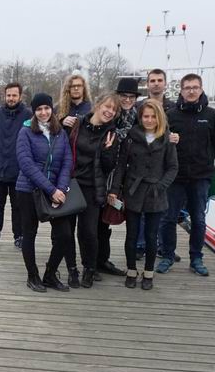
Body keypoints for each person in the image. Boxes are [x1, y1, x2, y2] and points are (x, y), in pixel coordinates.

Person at [157, 73, 215, 276]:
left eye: (195, 87)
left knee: (198, 220)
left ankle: (196, 258)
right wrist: (168, 139)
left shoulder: (214, 116)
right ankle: (168, 255)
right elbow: (158, 140)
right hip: (175, 176)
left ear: (201, 89)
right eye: (187, 88)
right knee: (168, 218)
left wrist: (205, 160)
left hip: (200, 177)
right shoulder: (171, 114)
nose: (191, 91)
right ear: (181, 91)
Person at [108, 99, 177, 290]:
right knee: (131, 235)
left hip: (155, 193)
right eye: (145, 116)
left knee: (151, 235)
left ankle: (148, 272)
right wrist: (114, 189)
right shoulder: (131, 137)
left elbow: (172, 167)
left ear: (159, 117)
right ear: (140, 117)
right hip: (133, 191)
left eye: (153, 116)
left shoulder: (166, 138)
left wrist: (160, 186)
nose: (149, 120)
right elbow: (121, 165)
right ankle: (131, 270)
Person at [15, 93, 74, 292]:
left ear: (52, 109)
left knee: (65, 234)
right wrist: (51, 190)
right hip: (28, 190)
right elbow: (26, 164)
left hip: (56, 190)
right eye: (39, 109)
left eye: (46, 108)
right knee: (29, 233)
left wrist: (61, 188)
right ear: (34, 111)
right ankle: (33, 276)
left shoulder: (60, 133)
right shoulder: (25, 132)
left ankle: (50, 273)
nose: (43, 112)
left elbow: (67, 161)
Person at [68, 92, 120, 287]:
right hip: (72, 183)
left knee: (88, 231)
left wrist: (107, 151)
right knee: (66, 229)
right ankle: (71, 267)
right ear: (98, 105)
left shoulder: (111, 133)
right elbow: (65, 148)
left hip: (93, 187)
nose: (109, 112)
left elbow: (109, 167)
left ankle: (89, 268)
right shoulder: (78, 124)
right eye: (107, 106)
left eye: (114, 110)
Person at [95, 78, 141, 278]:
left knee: (107, 221)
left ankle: (102, 260)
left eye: (131, 97)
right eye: (124, 96)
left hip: (121, 173)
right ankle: (92, 263)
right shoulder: (109, 115)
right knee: (95, 223)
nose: (128, 100)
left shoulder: (135, 117)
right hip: (101, 173)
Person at [0, 82, 33, 250]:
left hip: (18, 170)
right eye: (8, 95)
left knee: (17, 206)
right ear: (5, 96)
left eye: (14, 95)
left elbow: (32, 141)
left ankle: (18, 235)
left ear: (20, 96)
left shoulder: (28, 115)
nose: (11, 98)